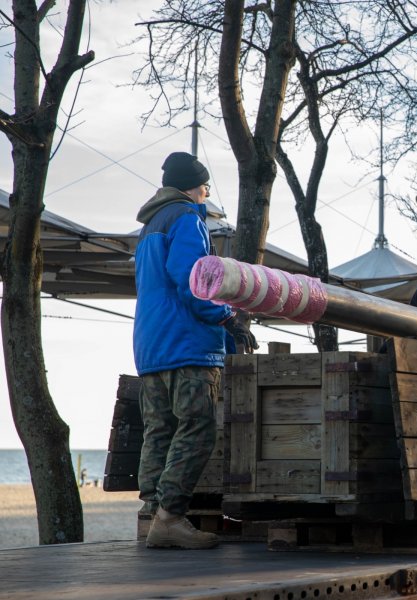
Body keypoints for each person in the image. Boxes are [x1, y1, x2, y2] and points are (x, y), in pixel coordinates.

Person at [133, 151, 258, 549]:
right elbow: (194, 280)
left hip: (151, 346)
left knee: (159, 430)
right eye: (205, 186)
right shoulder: (187, 217)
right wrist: (225, 318)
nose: (207, 193)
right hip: (186, 344)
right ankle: (170, 517)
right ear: (194, 186)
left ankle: (151, 515)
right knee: (198, 429)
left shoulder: (150, 225)